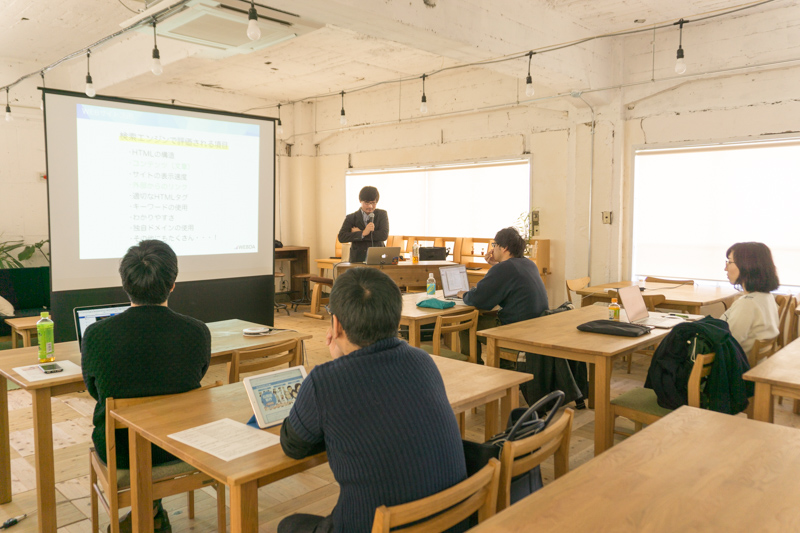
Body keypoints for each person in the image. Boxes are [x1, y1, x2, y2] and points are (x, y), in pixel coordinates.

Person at [278, 267, 466, 533]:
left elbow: (293, 445)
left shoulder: (325, 382)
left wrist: (339, 364)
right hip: (451, 521)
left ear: (336, 325)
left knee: (289, 525)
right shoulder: (422, 360)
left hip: (377, 526)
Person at [81, 240, 210, 533]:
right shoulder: (197, 331)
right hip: (179, 445)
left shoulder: (97, 335)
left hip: (121, 451)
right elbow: (196, 377)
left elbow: (95, 390)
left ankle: (145, 515)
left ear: (125, 284)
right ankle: (151, 512)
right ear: (172, 284)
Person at [456, 227, 548, 359]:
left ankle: (473, 367)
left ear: (504, 248)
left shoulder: (504, 268)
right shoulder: (529, 264)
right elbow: (508, 279)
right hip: (534, 328)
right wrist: (496, 265)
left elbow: (478, 299)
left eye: (495, 245)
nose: (493, 249)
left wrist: (464, 294)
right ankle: (505, 365)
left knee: (466, 324)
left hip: (515, 331)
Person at [721, 242, 780, 355]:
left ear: (747, 266)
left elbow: (727, 343)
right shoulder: (766, 297)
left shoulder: (747, 304)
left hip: (738, 364)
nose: (725, 268)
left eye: (730, 262)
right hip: (758, 362)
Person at [337, 186, 389, 263]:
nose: (370, 206)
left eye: (373, 203)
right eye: (366, 203)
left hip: (378, 257)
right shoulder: (351, 217)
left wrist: (361, 233)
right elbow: (342, 237)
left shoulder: (382, 214)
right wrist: (363, 233)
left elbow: (383, 235)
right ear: (360, 201)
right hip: (358, 258)